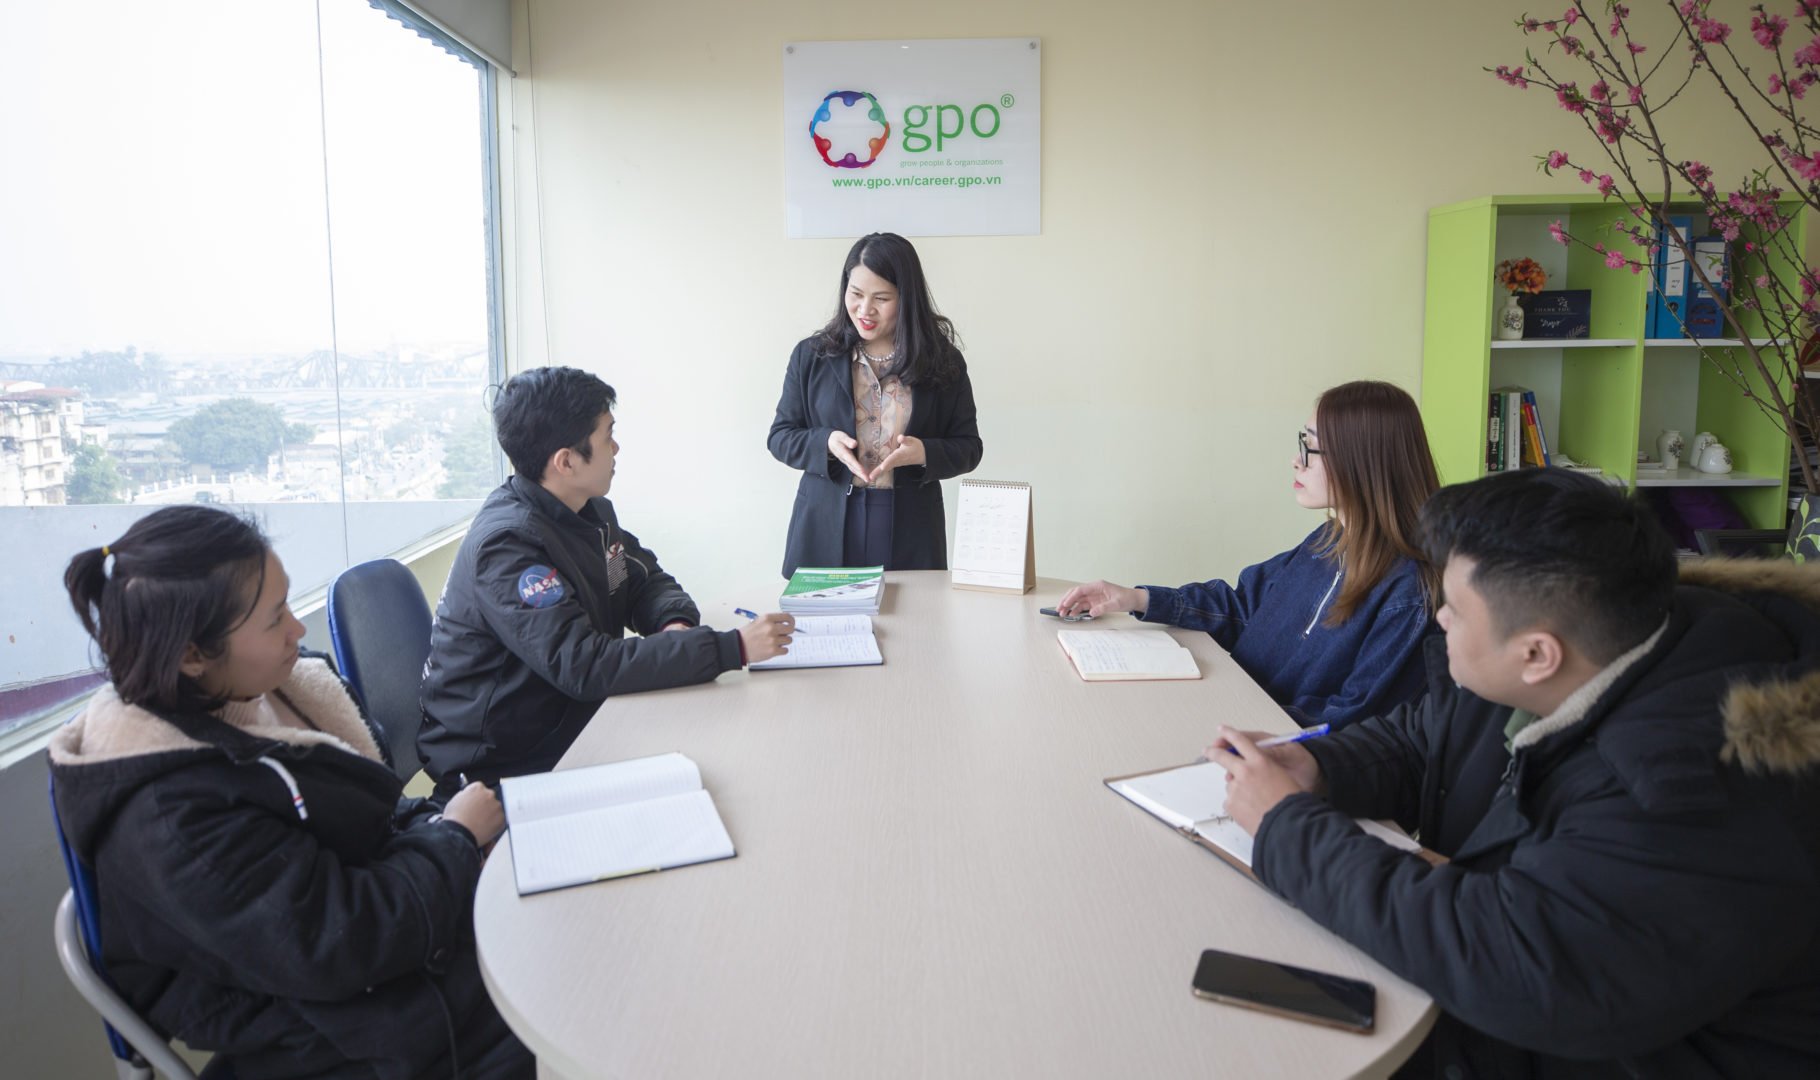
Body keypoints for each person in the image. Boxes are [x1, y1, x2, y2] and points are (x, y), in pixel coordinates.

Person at [1210, 469, 1820, 1077]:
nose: (1438, 617)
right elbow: (1425, 738)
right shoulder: (1585, 638)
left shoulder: (1695, 788)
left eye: (1454, 608)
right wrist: (1316, 764)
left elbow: (1515, 961)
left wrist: (1285, 826)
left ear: (1536, 654)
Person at [49, 505, 534, 1079]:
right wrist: (453, 839)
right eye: (275, 617)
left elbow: (367, 815)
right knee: (561, 1007)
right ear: (191, 655)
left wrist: (444, 830)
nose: (298, 631)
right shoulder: (171, 819)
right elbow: (340, 941)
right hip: (330, 1027)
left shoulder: (267, 691)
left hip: (386, 954)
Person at [419, 366, 793, 799]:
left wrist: (671, 623)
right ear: (566, 461)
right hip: (501, 765)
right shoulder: (507, 547)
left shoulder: (587, 511)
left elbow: (640, 581)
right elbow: (584, 665)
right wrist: (734, 648)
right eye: (606, 436)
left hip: (572, 718)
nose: (617, 448)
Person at [1056, 380, 1438, 729]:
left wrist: (1226, 720)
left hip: (1271, 755)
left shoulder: (1408, 595)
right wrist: (1137, 598)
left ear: (1362, 461)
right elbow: (1243, 607)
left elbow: (1349, 721)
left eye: (1311, 447)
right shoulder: (1327, 542)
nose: (1296, 459)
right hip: (1234, 721)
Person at [768, 231, 983, 576]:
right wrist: (824, 442)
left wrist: (924, 453)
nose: (864, 310)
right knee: (828, 628)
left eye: (881, 298)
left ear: (907, 298)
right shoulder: (812, 357)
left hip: (910, 525)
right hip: (826, 524)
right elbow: (780, 437)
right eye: (856, 294)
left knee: (912, 627)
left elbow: (969, 447)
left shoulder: (943, 362)